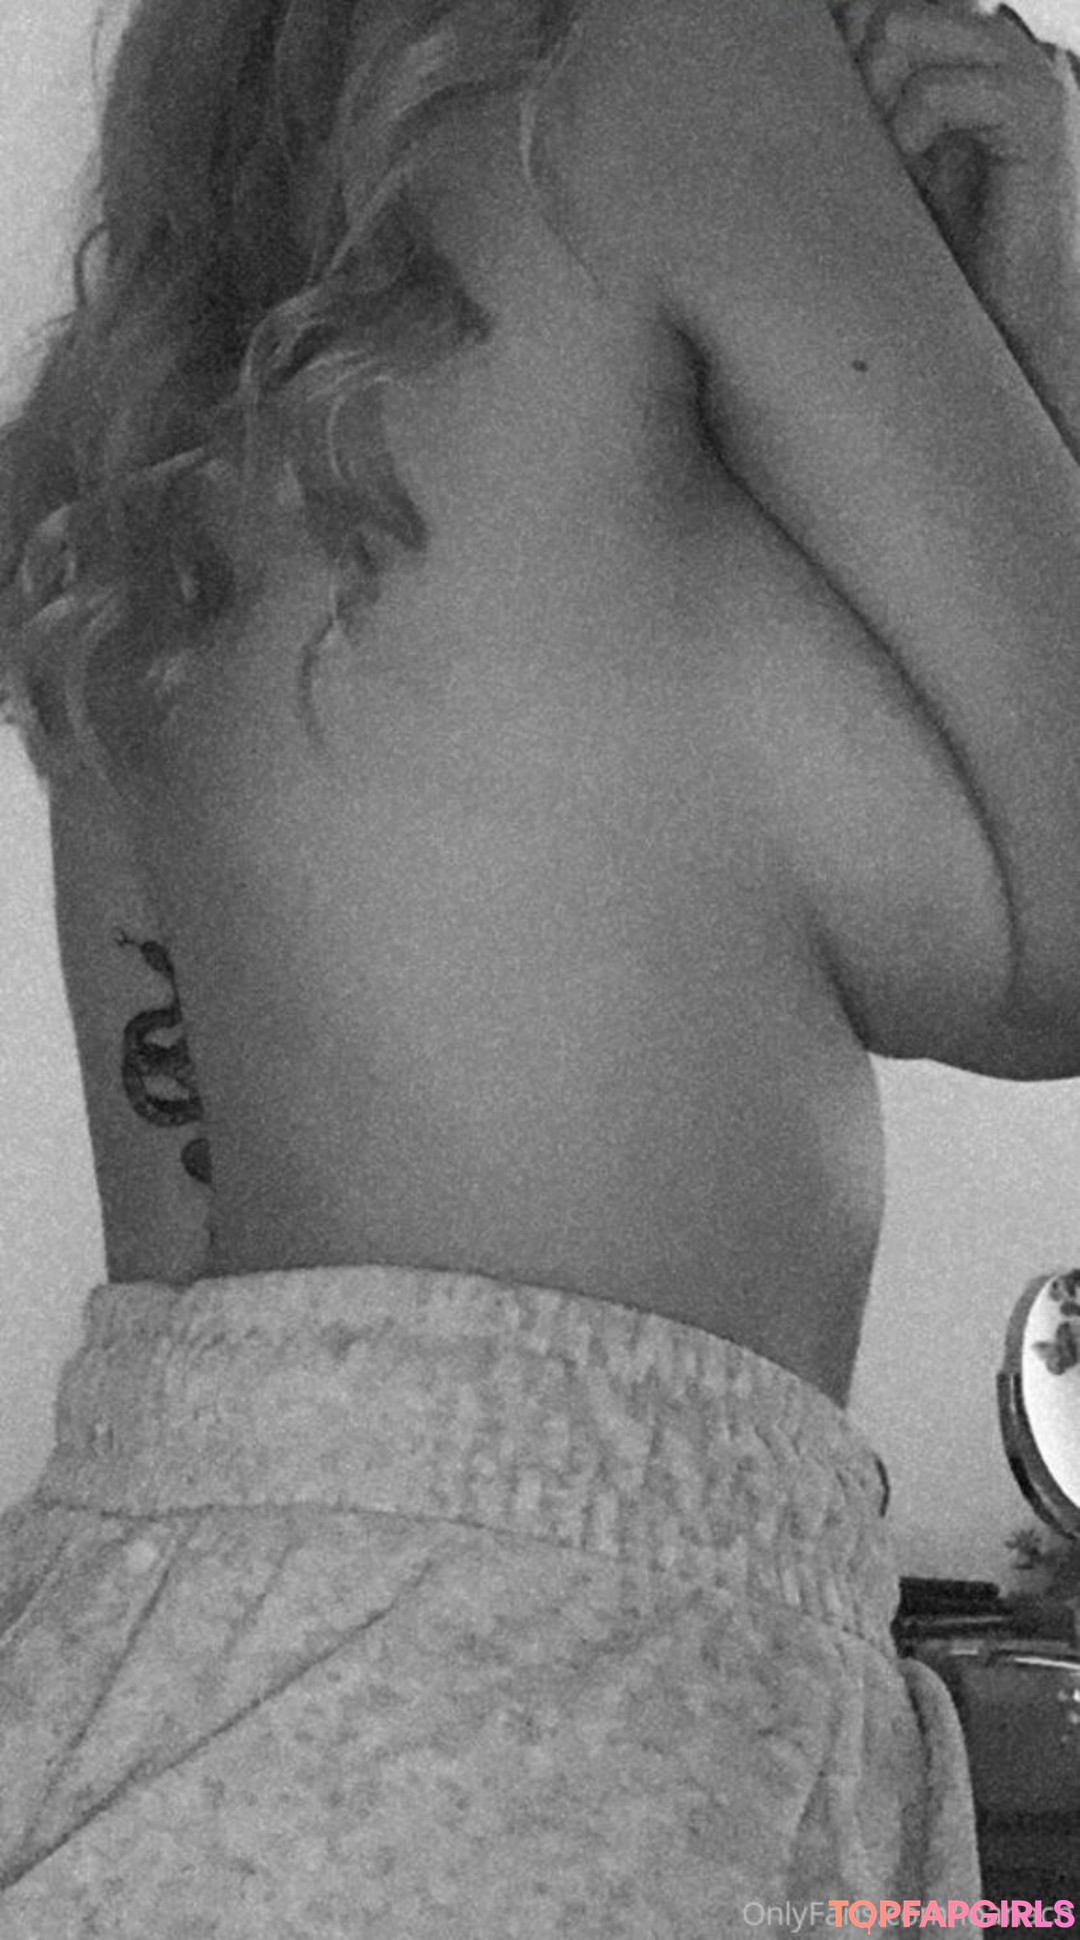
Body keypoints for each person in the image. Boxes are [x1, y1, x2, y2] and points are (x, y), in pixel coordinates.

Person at [0, 0, 1079, 1928]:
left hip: (169, 1639)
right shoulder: (675, 59)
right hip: (549, 1705)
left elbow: (978, 946)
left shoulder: (196, 334)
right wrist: (1047, 295)